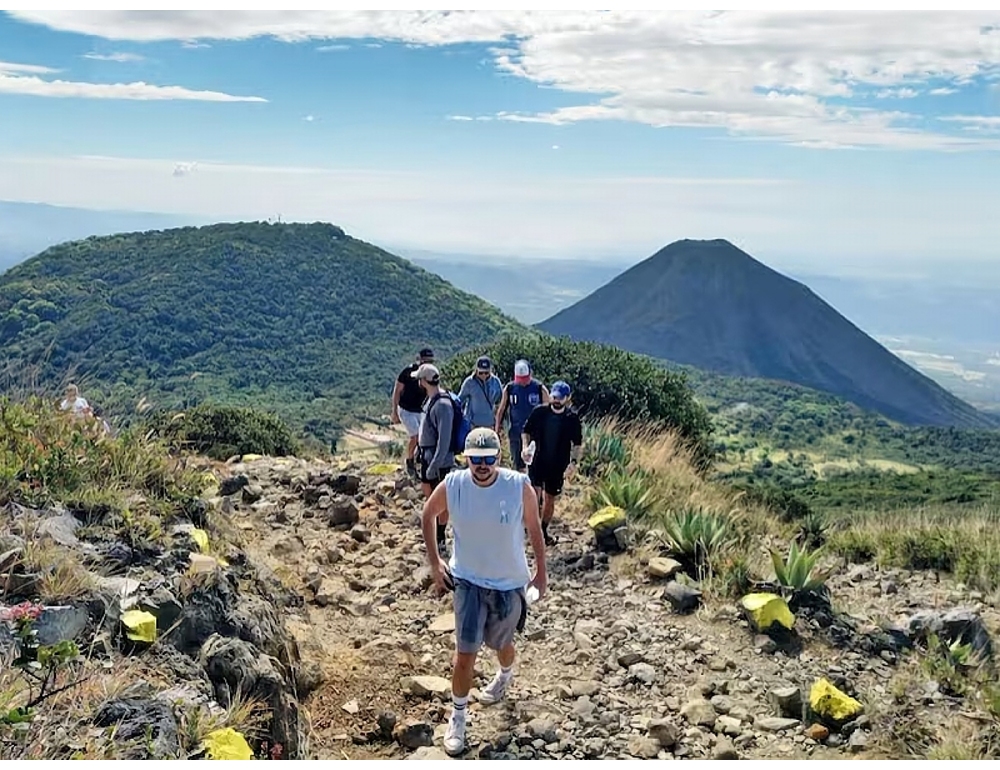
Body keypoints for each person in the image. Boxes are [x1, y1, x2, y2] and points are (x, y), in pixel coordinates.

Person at [421, 427, 547, 757]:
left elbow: (534, 530)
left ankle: (505, 673)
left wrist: (541, 575)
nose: (482, 465)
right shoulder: (454, 485)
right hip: (467, 581)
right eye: (475, 459)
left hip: (508, 584)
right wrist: (435, 563)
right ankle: (458, 716)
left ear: (499, 457)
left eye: (488, 458)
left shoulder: (519, 487)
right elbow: (428, 514)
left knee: (501, 644)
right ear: (466, 459)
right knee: (465, 654)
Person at [521, 380, 583, 547]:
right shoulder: (540, 412)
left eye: (560, 398)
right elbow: (526, 430)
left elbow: (577, 443)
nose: (556, 400)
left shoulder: (572, 419)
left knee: (550, 498)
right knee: (535, 495)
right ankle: (531, 529)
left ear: (567, 398)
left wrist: (574, 463)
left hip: (557, 465)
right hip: (537, 461)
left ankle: (542, 530)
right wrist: (525, 447)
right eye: (554, 396)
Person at [414, 362, 457, 551]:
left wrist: (435, 464)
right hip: (428, 455)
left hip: (438, 460)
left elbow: (444, 439)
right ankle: (433, 537)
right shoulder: (431, 400)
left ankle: (439, 539)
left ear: (424, 381)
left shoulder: (442, 404)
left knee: (441, 501)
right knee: (431, 497)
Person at [494, 360, 549, 473]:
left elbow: (548, 411)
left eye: (525, 379)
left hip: (536, 434)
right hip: (516, 433)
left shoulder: (539, 388)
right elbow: (501, 410)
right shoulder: (509, 388)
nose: (523, 383)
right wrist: (497, 429)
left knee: (536, 468)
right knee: (518, 466)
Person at [392, 347, 435, 478]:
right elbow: (397, 390)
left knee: (425, 436)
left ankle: (418, 459)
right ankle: (409, 461)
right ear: (419, 360)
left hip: (420, 409)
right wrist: (394, 411)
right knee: (415, 436)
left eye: (430, 361)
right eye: (425, 361)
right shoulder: (408, 372)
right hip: (406, 409)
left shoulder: (431, 374)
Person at [457, 356, 503, 429]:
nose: (484, 375)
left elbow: (502, 401)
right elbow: (459, 401)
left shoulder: (496, 382)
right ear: (476, 370)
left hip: (490, 425)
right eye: (481, 373)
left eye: (486, 373)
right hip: (473, 425)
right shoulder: (469, 382)